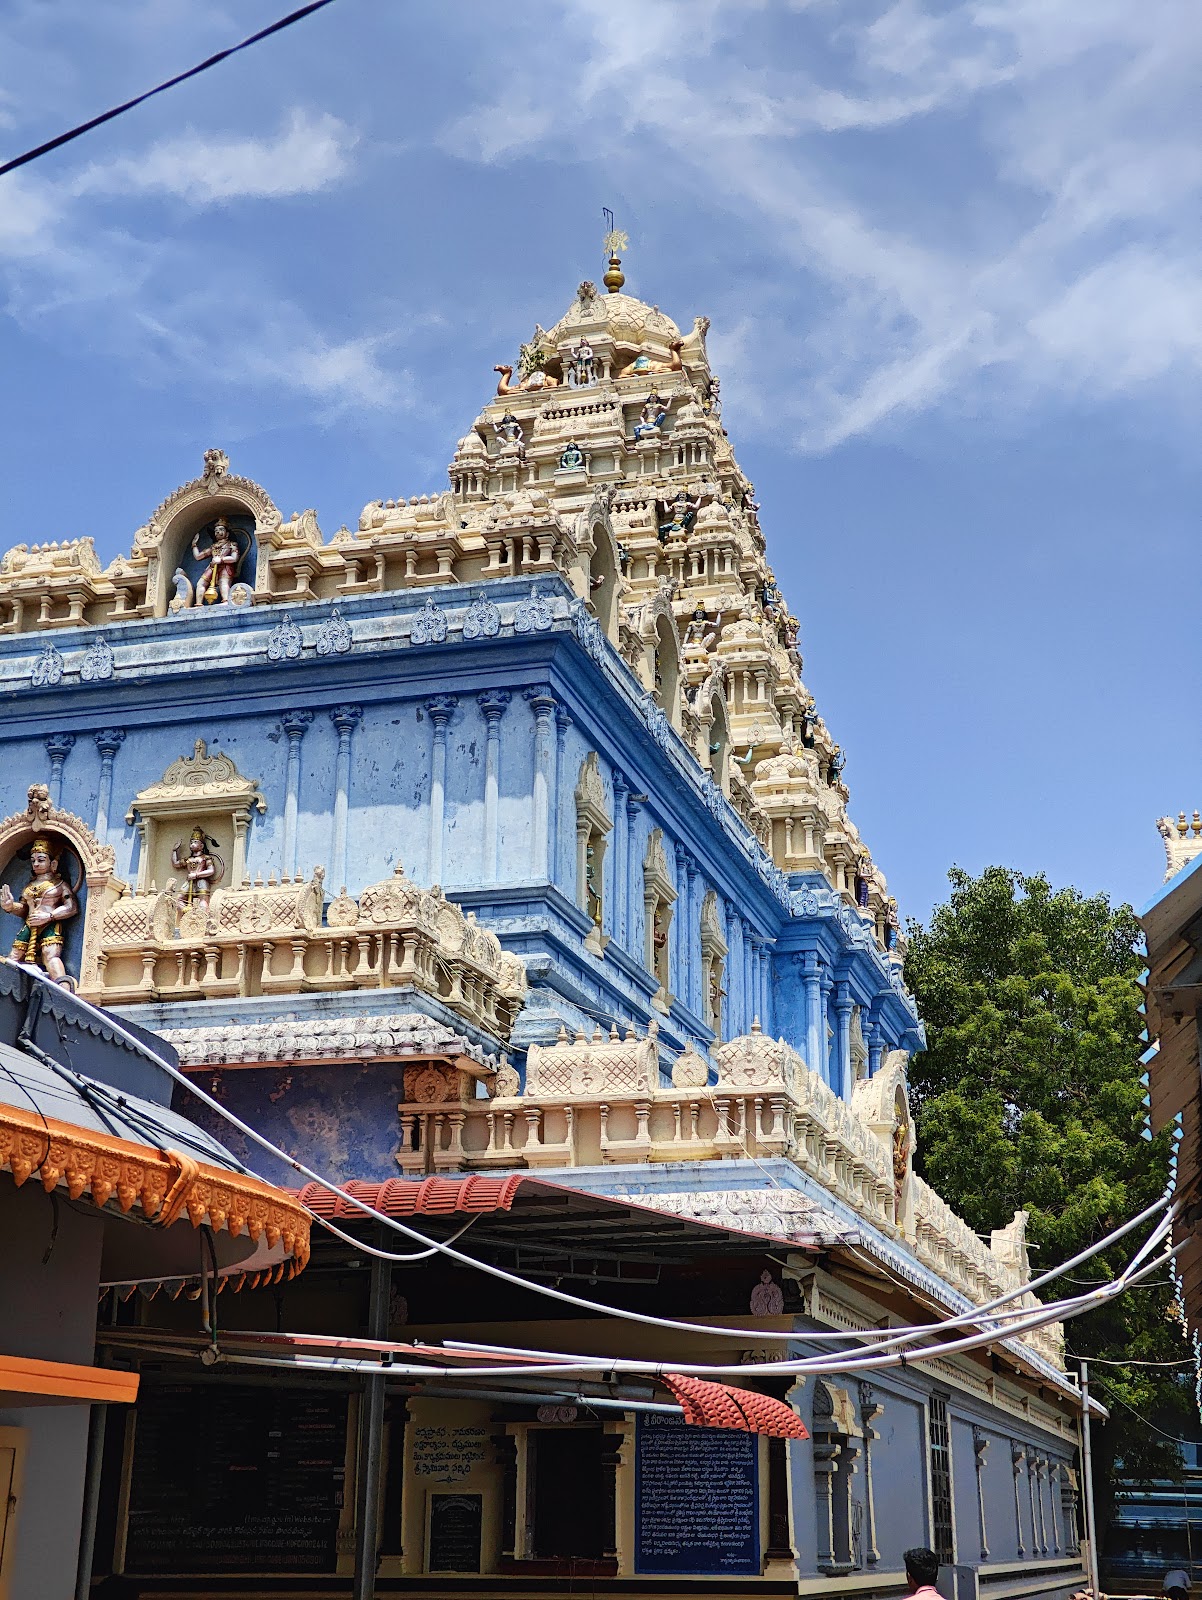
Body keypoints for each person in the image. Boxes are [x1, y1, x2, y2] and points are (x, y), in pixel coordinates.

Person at [1, 835, 78, 984]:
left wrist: (49, 916)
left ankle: (63, 988)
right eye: (33, 861)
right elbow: (24, 909)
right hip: (30, 925)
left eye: (41, 860)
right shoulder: (29, 886)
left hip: (50, 924)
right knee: (14, 957)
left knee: (50, 956)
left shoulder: (60, 885)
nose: (36, 864)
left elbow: (71, 907)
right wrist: (10, 907)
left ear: (53, 863)